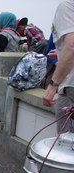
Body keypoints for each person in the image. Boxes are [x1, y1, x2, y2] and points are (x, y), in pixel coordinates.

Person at [42, 0, 74, 133]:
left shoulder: (67, 6)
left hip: (71, 86)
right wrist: (61, 52)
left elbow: (72, 46)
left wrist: (52, 86)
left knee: (65, 145)